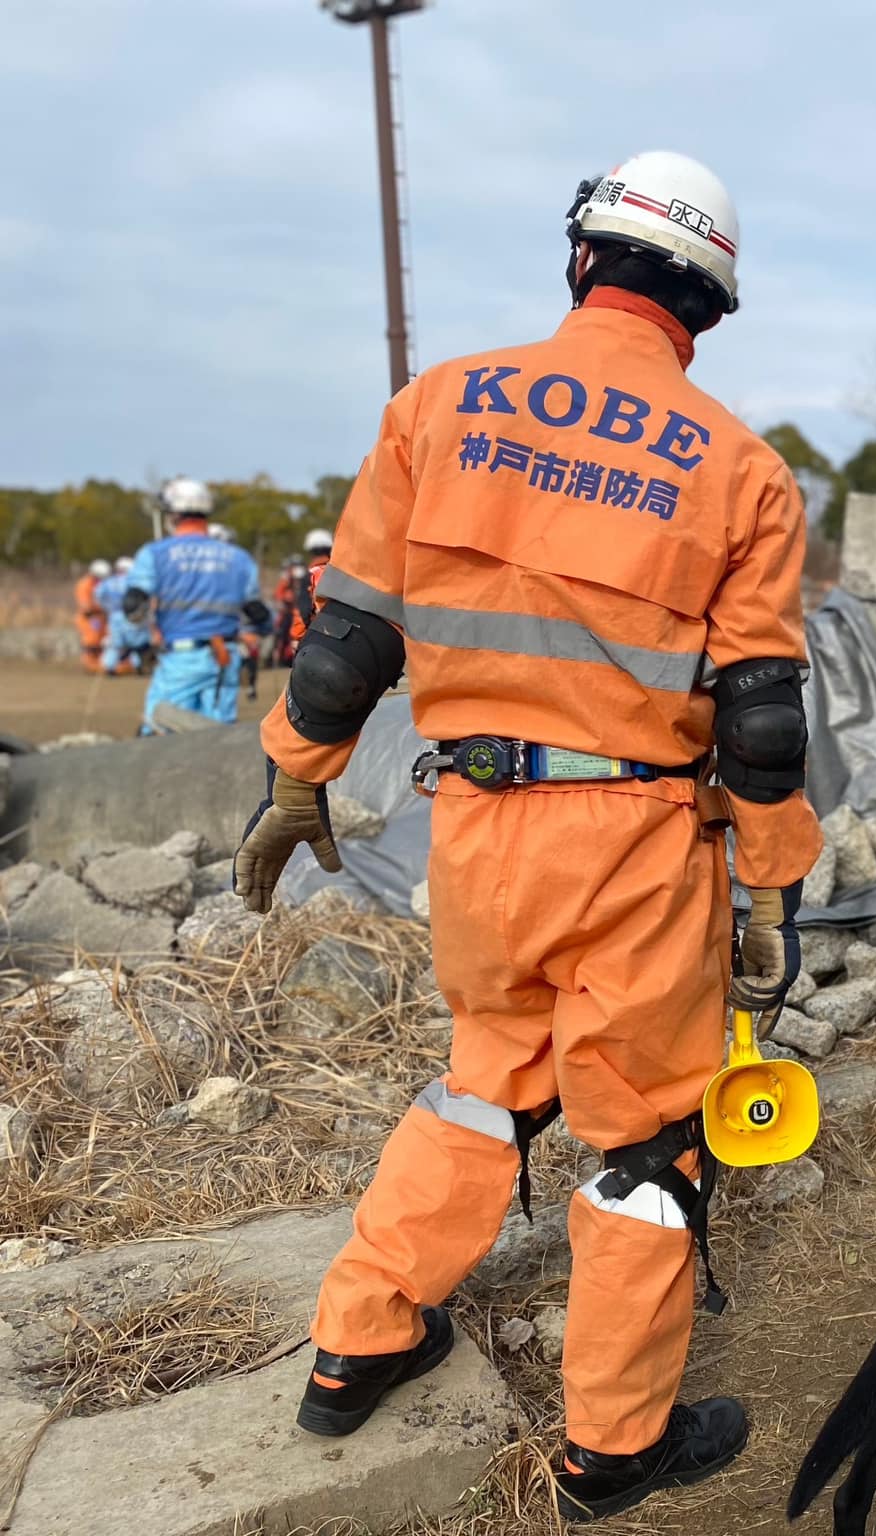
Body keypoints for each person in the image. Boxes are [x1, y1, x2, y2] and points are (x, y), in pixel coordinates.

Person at [231, 150, 821, 1524]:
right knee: (648, 1149)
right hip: (631, 841)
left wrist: (296, 781)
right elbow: (762, 725)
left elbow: (349, 642)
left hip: (477, 827)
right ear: (711, 306)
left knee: (484, 1083)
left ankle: (360, 1334)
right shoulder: (741, 470)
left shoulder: (438, 405)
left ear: (582, 261)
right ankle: (614, 1446)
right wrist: (776, 882)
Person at [125, 480, 265, 732]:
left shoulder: (156, 554)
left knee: (158, 731)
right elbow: (259, 614)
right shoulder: (240, 558)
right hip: (225, 658)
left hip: (181, 661)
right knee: (219, 740)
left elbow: (133, 605)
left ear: (174, 514)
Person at [73, 560, 110, 672]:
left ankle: (100, 663)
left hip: (100, 618)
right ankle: (89, 664)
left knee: (103, 640)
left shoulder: (102, 584)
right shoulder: (84, 585)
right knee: (92, 640)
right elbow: (86, 607)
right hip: (88, 619)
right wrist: (101, 607)